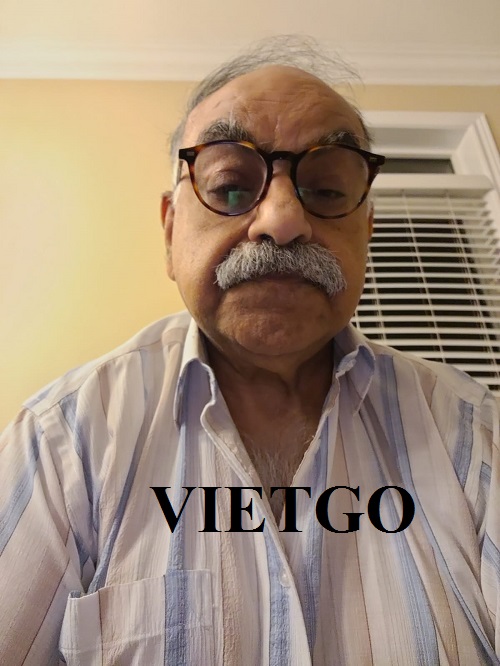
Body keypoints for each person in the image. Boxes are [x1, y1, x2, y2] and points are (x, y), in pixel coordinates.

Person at [1, 36, 499, 665]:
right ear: (170, 229)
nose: (282, 220)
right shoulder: (61, 442)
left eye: (326, 190)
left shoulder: (474, 432)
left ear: (367, 232)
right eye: (231, 187)